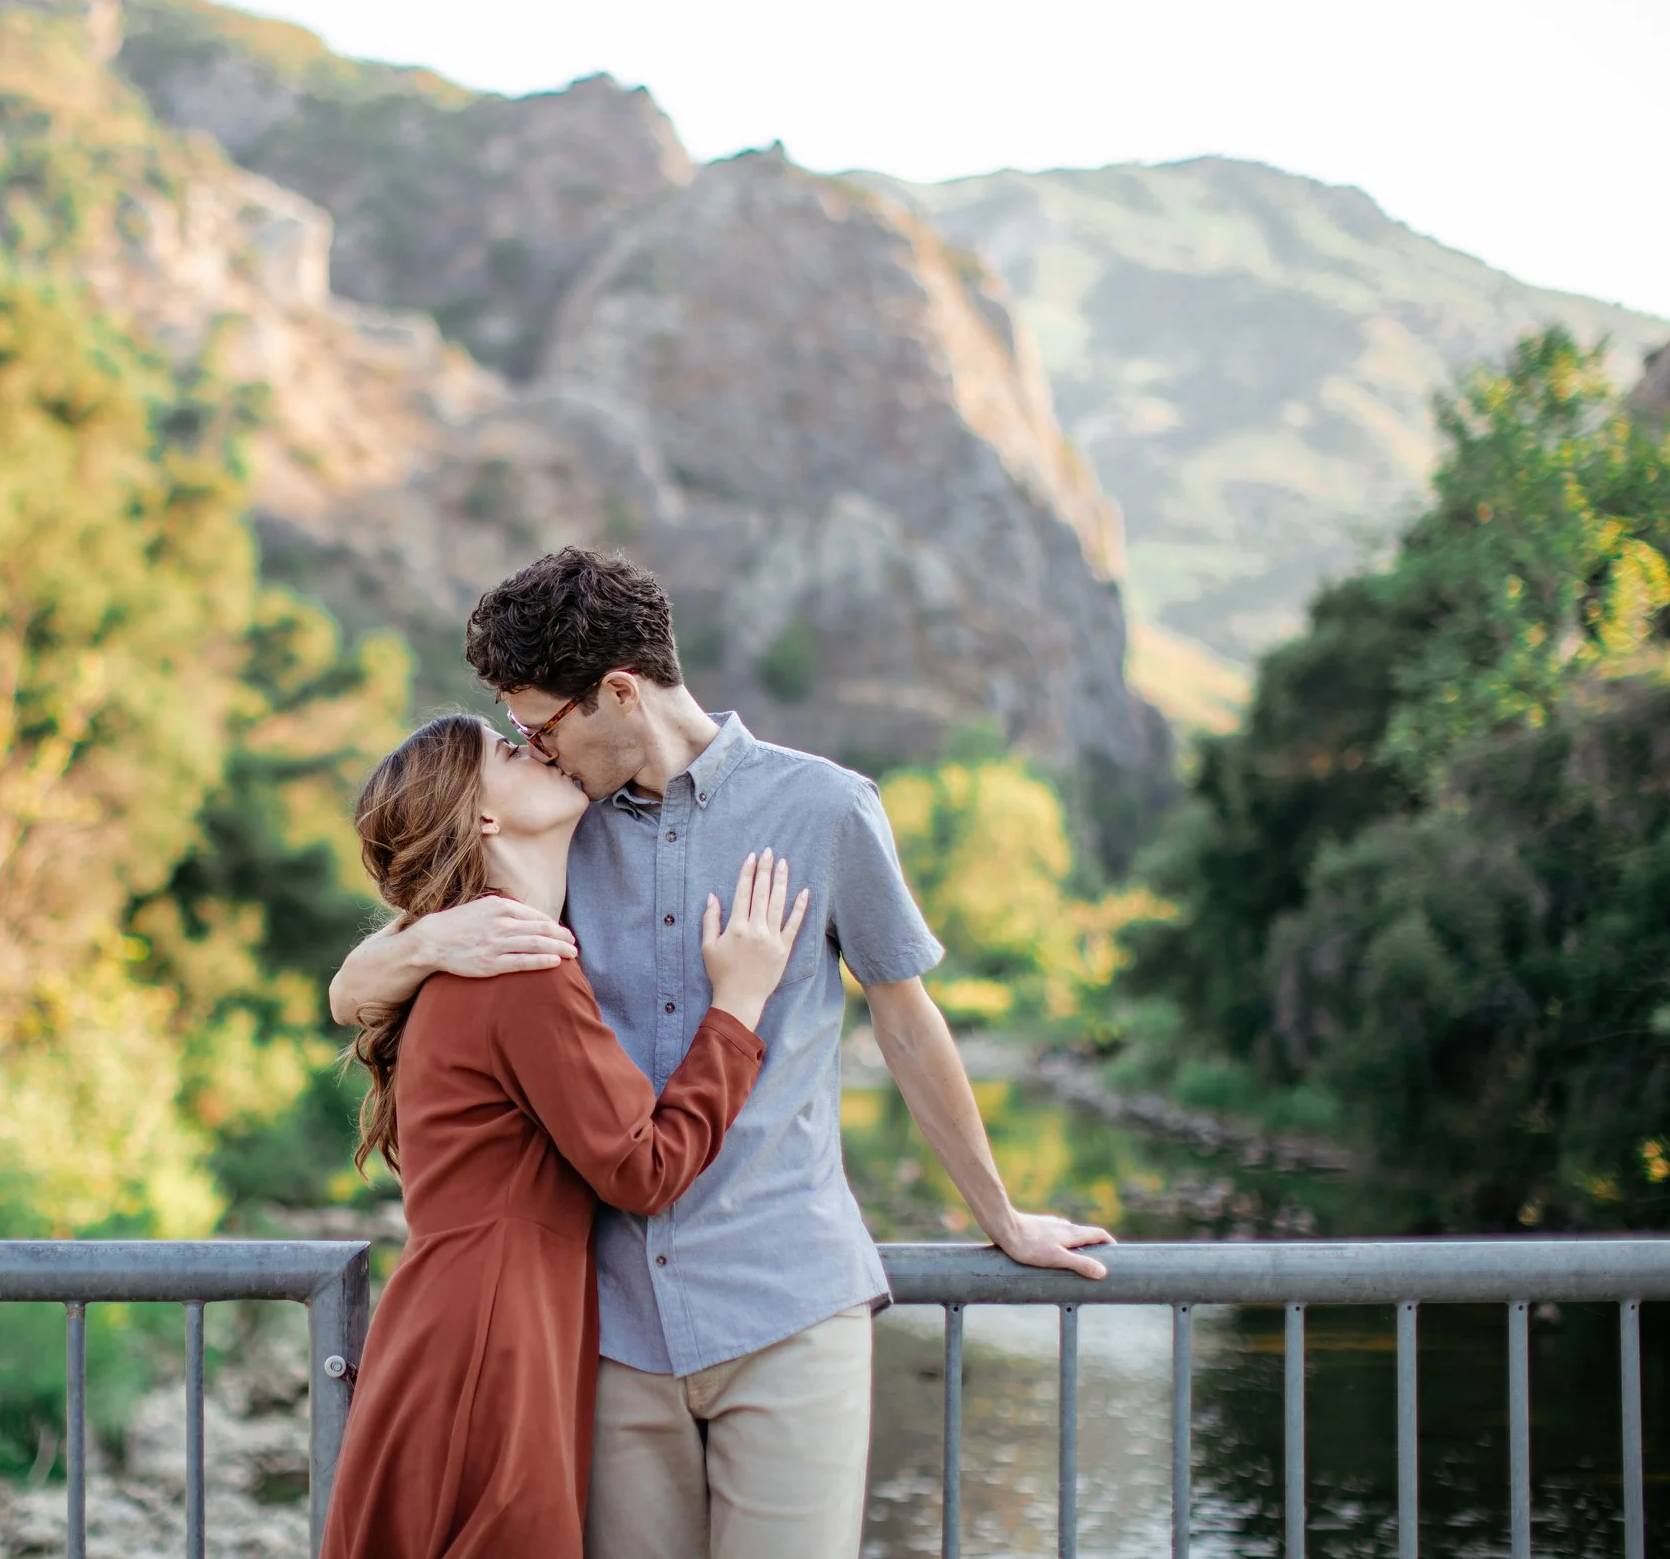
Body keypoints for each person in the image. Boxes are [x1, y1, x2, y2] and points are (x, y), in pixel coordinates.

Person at [328, 548, 1114, 1559]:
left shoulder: (825, 809)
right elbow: (360, 986)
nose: (535, 748)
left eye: (541, 725)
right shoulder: (562, 827)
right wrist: (425, 937)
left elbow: (908, 1025)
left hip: (787, 1306)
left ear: (616, 691)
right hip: (609, 1330)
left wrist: (997, 1213)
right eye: (518, 739)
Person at [319, 713, 809, 1559]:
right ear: (481, 817)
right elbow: (643, 1167)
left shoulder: (482, 952)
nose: (537, 746)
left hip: (461, 1322)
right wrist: (738, 1005)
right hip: (491, 1339)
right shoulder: (519, 970)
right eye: (509, 749)